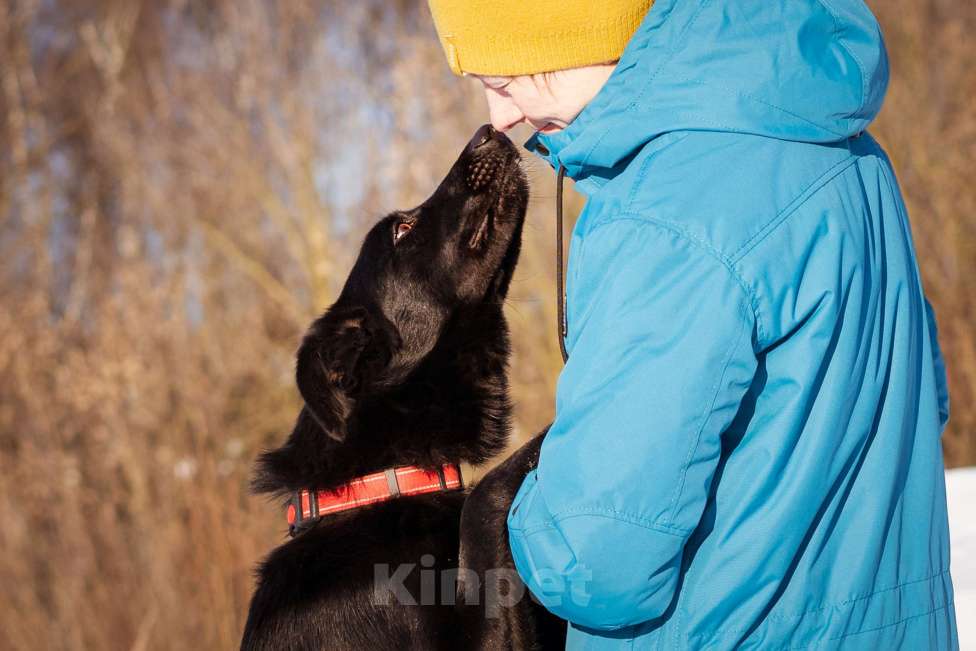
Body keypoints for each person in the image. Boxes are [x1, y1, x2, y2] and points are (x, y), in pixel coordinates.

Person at [426, 1, 958, 649]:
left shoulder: (666, 215)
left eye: (505, 81)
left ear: (576, 34)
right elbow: (919, 399)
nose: (499, 118)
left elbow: (597, 561)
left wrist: (505, 515)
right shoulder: (839, 143)